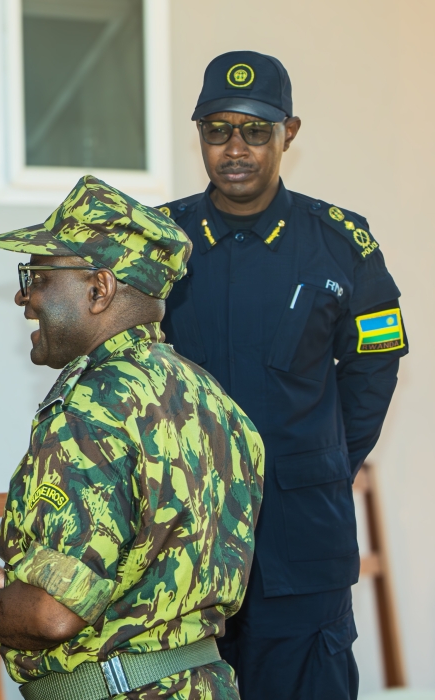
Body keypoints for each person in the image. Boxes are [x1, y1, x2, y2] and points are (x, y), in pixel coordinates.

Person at [0, 176, 264, 699]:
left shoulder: (90, 409)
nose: (25, 298)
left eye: (39, 276)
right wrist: (13, 586)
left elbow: (53, 614)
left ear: (99, 289)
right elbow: (130, 581)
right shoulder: (216, 404)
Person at [155, 51, 407, 699]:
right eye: (218, 130)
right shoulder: (159, 242)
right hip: (186, 543)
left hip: (301, 543)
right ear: (200, 134)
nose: (234, 148)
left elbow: (374, 367)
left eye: (255, 130)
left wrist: (318, 461)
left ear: (288, 134)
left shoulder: (340, 243)